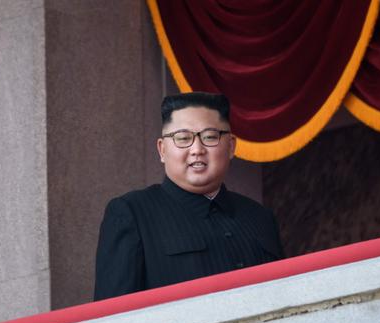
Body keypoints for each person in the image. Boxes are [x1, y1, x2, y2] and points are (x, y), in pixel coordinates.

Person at [94, 92, 283, 300]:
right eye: (183, 138)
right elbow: (111, 319)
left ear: (230, 147)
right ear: (162, 150)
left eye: (210, 136)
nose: (197, 149)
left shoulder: (260, 218)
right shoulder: (132, 214)